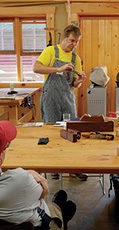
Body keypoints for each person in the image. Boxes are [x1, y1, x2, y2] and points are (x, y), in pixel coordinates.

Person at [33, 24, 88, 181]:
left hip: (67, 97)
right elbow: (36, 68)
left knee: (71, 131)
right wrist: (59, 69)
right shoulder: (51, 51)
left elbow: (75, 85)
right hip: (51, 97)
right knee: (51, 131)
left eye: (76, 42)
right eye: (71, 41)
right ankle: (53, 167)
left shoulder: (75, 58)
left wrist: (80, 80)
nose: (73, 45)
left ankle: (72, 167)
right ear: (64, 38)